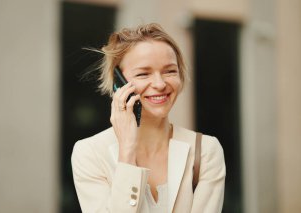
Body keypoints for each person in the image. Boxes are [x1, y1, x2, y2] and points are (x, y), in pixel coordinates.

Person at [71, 23, 226, 213]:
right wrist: (127, 152)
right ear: (118, 81)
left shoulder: (206, 151)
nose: (160, 84)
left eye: (170, 71)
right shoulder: (90, 153)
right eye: (143, 73)